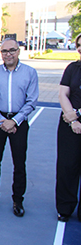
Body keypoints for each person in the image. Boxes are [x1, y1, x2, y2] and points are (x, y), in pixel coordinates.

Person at [0, 38, 38, 217]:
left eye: (12, 50)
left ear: (18, 51)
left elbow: (31, 101)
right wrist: (2, 121)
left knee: (19, 162)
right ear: (1, 53)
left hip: (18, 123)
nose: (8, 54)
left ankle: (18, 200)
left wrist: (14, 121)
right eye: (4, 51)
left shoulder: (30, 73)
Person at [56, 33, 81, 222]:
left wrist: (78, 115)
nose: (80, 48)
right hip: (69, 122)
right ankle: (65, 207)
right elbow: (63, 93)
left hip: (76, 116)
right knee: (67, 166)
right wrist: (72, 119)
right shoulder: (72, 68)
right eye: (78, 45)